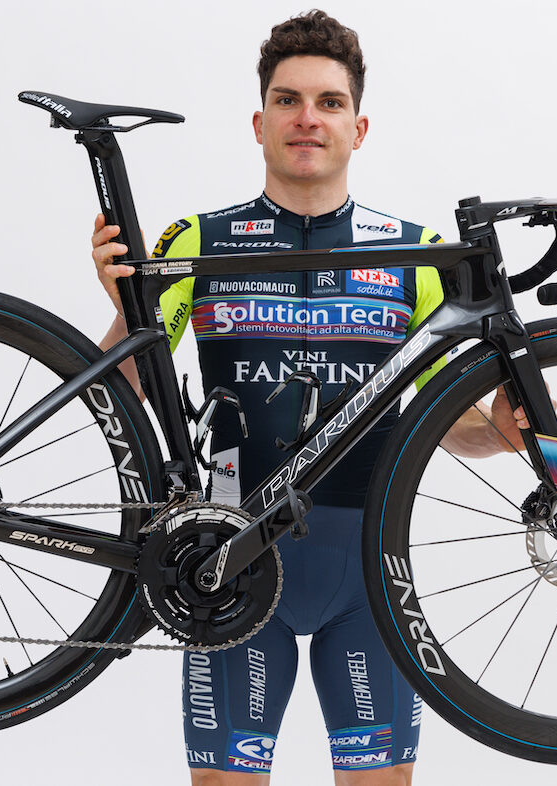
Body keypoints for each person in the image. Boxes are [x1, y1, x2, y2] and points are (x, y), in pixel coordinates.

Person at [91, 11, 530, 784]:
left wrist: (498, 432)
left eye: (329, 102)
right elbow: (118, 393)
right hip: (228, 564)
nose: (307, 118)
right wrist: (124, 308)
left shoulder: (415, 257)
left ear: (358, 129)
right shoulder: (196, 242)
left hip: (367, 570)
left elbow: (443, 422)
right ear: (259, 123)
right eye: (287, 100)